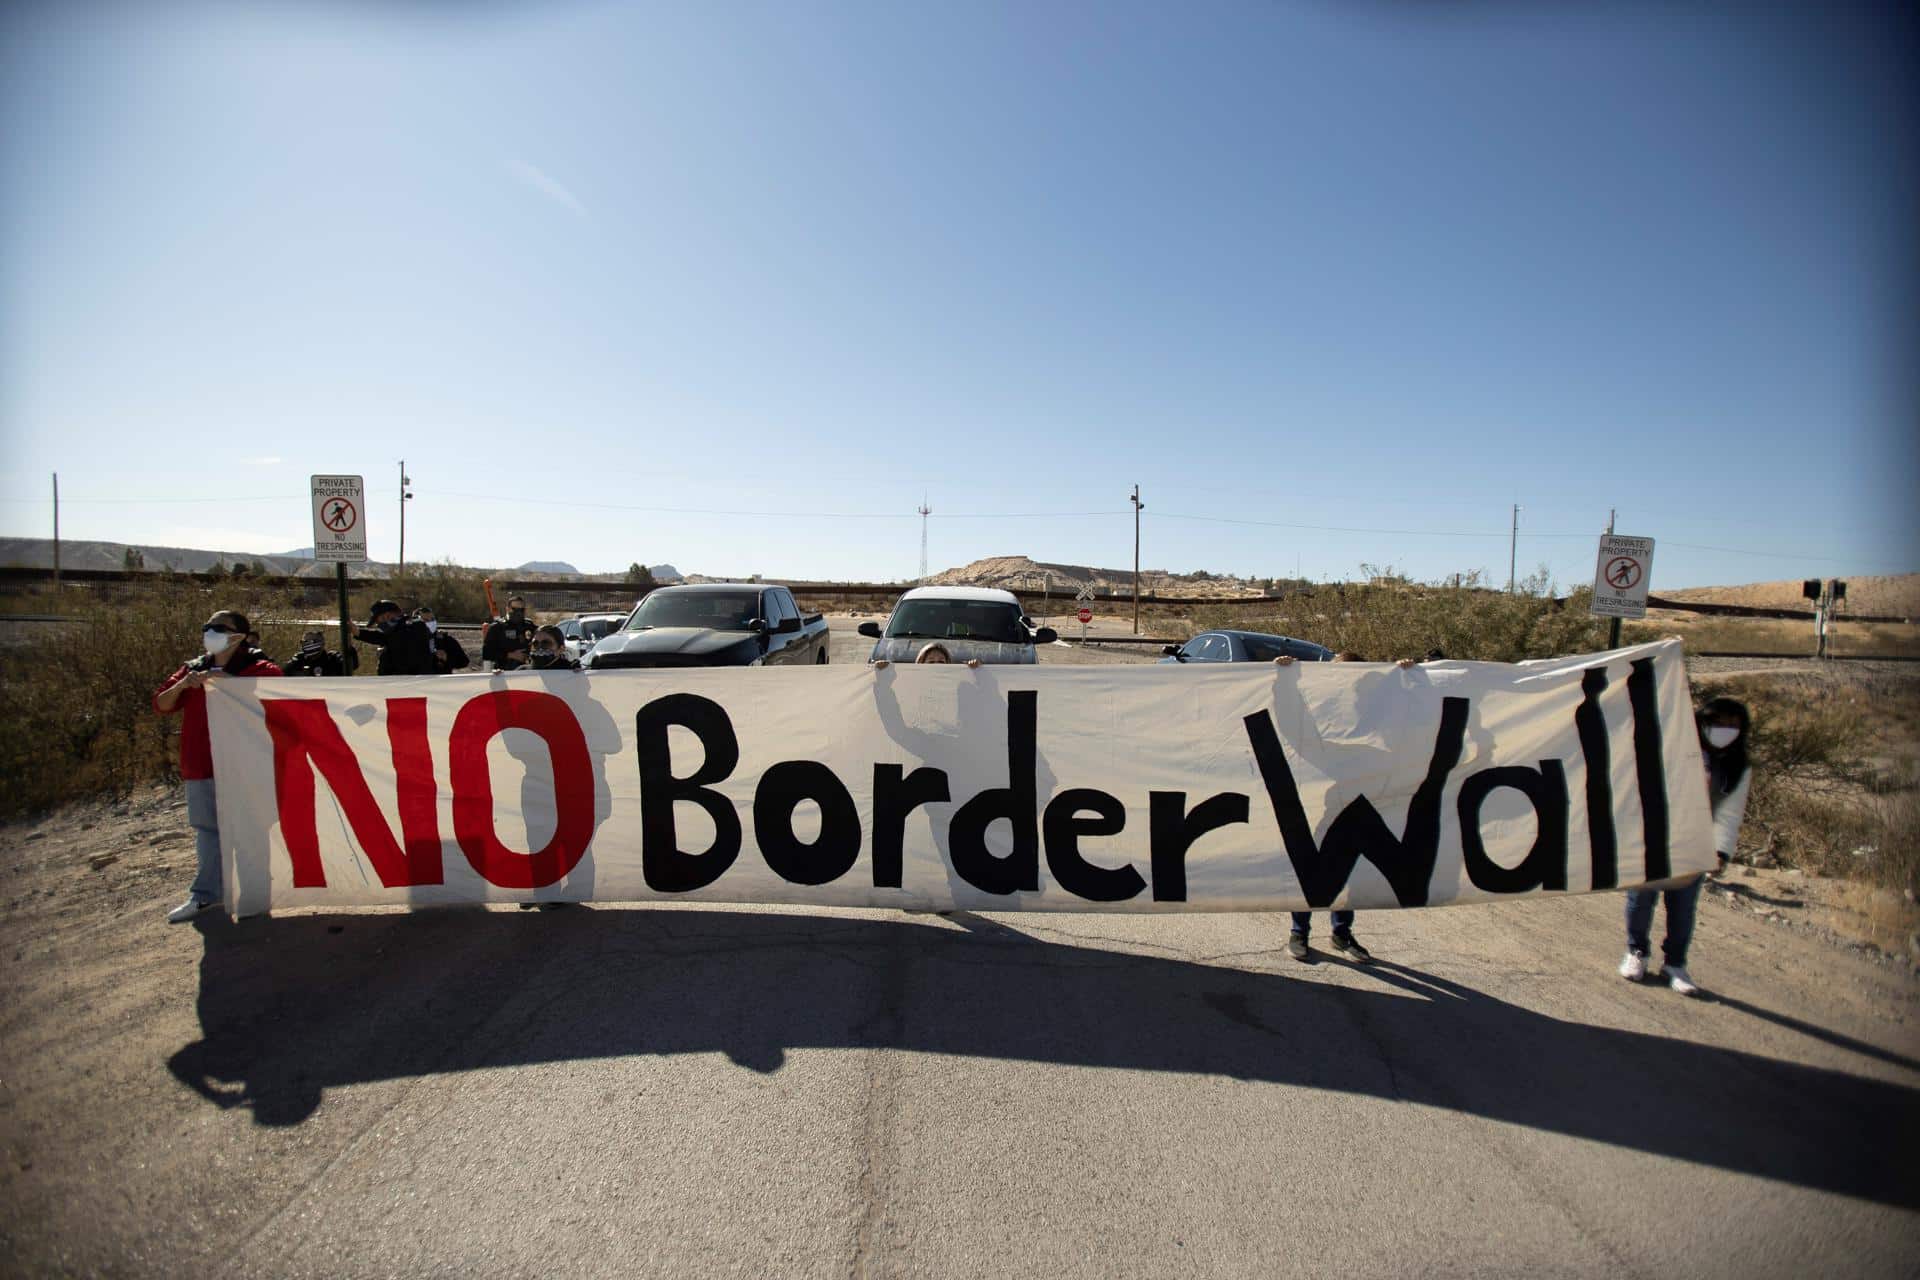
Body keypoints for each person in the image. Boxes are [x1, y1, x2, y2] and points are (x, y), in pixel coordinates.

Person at [152, 610, 283, 923]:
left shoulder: (258, 668)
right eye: (207, 626)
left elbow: (278, 688)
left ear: (238, 636)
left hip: (243, 765)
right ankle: (205, 896)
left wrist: (231, 683)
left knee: (250, 832)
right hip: (201, 765)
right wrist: (184, 685)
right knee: (207, 833)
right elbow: (161, 704)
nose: (210, 632)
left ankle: (255, 898)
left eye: (219, 628)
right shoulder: (194, 668)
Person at [1620, 697, 1751, 996]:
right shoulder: (1675, 747)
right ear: (1702, 722)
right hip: (1654, 837)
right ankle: (1636, 951)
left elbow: (1730, 812)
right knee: (1641, 900)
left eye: (1733, 725)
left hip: (1694, 846)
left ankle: (1675, 964)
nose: (1724, 730)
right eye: (1718, 722)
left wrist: (1721, 850)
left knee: (1682, 908)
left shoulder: (1737, 767)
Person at [1273, 649, 1373, 963]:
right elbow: (1291, 724)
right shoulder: (1321, 705)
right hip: (1319, 796)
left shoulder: (1373, 707)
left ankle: (1341, 933)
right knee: (1310, 867)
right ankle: (1299, 931)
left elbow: (1413, 719)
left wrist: (1408, 674)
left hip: (1360, 796)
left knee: (1348, 872)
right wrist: (1283, 681)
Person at [357, 598, 436, 676]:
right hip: (395, 684)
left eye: (379, 621)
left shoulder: (415, 627)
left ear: (388, 616)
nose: (379, 625)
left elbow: (392, 638)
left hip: (415, 683)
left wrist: (359, 633)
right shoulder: (393, 632)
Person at [483, 595, 536, 671]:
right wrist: (510, 655)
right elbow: (487, 653)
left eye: (521, 610)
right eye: (515, 609)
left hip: (527, 671)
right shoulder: (497, 627)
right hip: (504, 672)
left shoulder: (529, 625)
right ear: (507, 609)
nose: (518, 612)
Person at [415, 606, 470, 673]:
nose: (430, 623)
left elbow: (464, 661)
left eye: (432, 619)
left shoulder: (445, 640)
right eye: (426, 620)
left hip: (441, 681)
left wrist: (447, 658)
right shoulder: (409, 641)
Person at [283, 629, 354, 677]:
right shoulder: (299, 659)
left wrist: (349, 648)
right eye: (304, 642)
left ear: (322, 643)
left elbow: (352, 665)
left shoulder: (333, 658)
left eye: (311, 642)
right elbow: (285, 672)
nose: (307, 645)